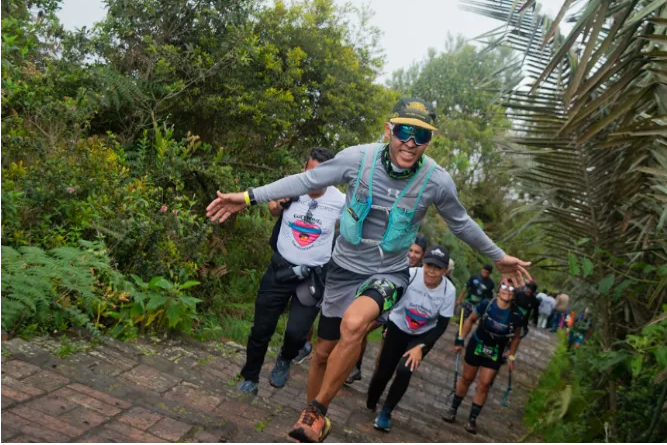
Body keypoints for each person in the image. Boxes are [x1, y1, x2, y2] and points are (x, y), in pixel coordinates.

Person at [206, 97, 531, 443]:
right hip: (343, 268)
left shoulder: (435, 181)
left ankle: (317, 411)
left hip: (388, 271)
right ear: (389, 130)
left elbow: (461, 223)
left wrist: (498, 257)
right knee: (321, 355)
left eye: (420, 135)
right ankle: (312, 421)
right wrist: (247, 196)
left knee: (355, 324)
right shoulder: (358, 159)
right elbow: (306, 181)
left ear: (428, 141)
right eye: (404, 131)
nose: (410, 142)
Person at [236, 148, 345, 396]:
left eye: (321, 174)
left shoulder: (340, 201)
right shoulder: (291, 186)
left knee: (297, 333)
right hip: (279, 269)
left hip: (312, 277)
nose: (313, 179)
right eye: (309, 172)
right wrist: (276, 204)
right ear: (303, 169)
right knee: (261, 329)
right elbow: (274, 209)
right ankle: (250, 377)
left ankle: (285, 357)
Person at [367, 246, 455, 432]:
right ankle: (372, 399)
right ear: (424, 263)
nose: (431, 271)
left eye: (437, 268)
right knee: (384, 371)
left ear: (444, 271)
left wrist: (421, 347)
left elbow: (441, 325)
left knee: (405, 371)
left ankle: (386, 412)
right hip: (398, 326)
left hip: (422, 335)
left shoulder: (448, 291)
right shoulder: (411, 274)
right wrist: (386, 323)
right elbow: (390, 298)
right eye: (429, 265)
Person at [442, 280, 524, 434]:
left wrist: (512, 355)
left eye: (512, 288)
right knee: (466, 378)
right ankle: (453, 409)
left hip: (495, 351)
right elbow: (470, 320)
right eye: (505, 286)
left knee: (484, 384)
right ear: (499, 289)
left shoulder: (517, 314)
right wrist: (460, 339)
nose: (507, 290)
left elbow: (517, 337)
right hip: (477, 344)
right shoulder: (487, 304)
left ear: (515, 292)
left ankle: (472, 419)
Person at [346, 234, 429, 385]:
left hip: (402, 316)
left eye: (417, 252)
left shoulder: (424, 274)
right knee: (362, 328)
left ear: (423, 254)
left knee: (384, 354)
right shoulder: (396, 262)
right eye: (410, 250)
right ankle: (355, 367)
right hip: (387, 304)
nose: (412, 255)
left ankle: (375, 385)